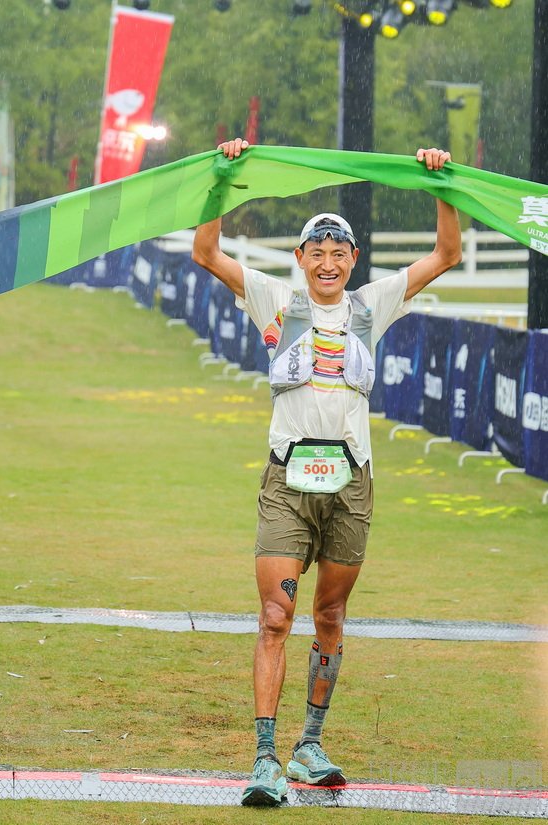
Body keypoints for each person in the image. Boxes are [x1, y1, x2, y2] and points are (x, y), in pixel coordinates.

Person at [192, 138, 461, 807]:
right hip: (289, 480)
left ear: (354, 259)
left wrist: (441, 184)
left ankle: (309, 746)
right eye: (317, 251)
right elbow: (207, 252)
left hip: (350, 485)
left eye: (339, 251)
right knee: (275, 616)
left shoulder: (371, 305)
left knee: (331, 614)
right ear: (300, 258)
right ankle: (264, 758)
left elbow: (446, 255)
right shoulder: (276, 301)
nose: (329, 262)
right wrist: (223, 178)